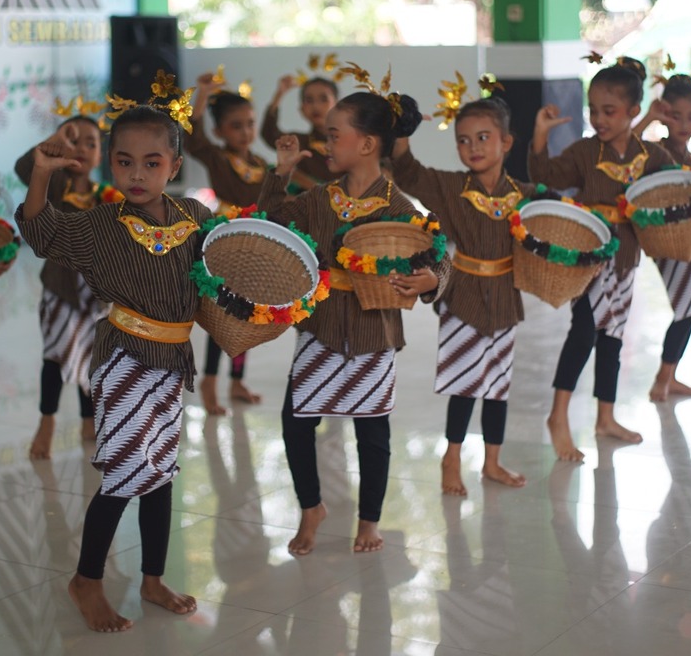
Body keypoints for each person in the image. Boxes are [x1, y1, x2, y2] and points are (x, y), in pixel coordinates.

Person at [16, 99, 208, 633]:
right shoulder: (100, 224)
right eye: (124, 162)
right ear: (110, 166)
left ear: (174, 164)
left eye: (152, 162)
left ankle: (151, 579)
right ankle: (87, 582)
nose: (137, 174)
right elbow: (41, 233)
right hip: (123, 359)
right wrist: (40, 174)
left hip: (172, 361)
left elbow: (225, 268)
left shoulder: (196, 218)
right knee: (125, 474)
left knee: (161, 474)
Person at [257, 80, 449, 555]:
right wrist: (279, 173)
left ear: (366, 144)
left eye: (333, 133)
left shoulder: (401, 208)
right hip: (319, 330)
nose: (325, 143)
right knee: (296, 422)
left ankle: (369, 521)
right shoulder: (319, 199)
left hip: (373, 332)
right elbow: (272, 220)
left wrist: (433, 281)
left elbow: (438, 256)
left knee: (373, 431)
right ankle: (310, 509)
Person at [529, 57, 682, 461]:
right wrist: (540, 135)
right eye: (593, 110)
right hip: (591, 257)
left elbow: (680, 185)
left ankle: (605, 417)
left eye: (608, 111)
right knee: (583, 331)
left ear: (634, 112)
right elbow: (546, 175)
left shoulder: (651, 156)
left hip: (627, 258)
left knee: (612, 337)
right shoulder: (583, 151)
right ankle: (558, 416)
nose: (598, 119)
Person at [391, 95, 541, 495]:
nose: (472, 147)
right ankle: (451, 457)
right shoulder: (450, 186)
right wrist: (403, 132)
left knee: (498, 386)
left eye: (483, 137)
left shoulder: (524, 194)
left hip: (506, 299)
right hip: (463, 298)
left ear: (506, 143)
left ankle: (492, 462)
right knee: (464, 384)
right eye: (463, 140)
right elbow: (408, 173)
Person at [13, 110, 120, 457]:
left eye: (90, 144)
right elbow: (23, 170)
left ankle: (90, 421)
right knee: (56, 356)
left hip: (97, 295)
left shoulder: (108, 198)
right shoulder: (54, 188)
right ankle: (47, 424)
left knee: (93, 358)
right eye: (73, 141)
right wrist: (56, 144)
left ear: (100, 155)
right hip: (60, 291)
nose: (82, 149)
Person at [186, 70, 268, 414]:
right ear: (220, 131)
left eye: (250, 123)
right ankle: (208, 380)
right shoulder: (218, 158)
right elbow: (192, 138)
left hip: (254, 241)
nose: (246, 132)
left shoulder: (262, 163)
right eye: (237, 125)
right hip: (224, 240)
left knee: (246, 313)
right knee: (223, 313)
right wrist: (202, 95)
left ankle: (236, 382)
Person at [633, 75, 691, 403]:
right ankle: (662, 379)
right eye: (675, 116)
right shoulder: (655, 152)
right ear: (665, 115)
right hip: (669, 243)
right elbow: (625, 148)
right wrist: (649, 118)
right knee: (687, 308)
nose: (683, 124)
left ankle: (670, 375)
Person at [261, 69, 340, 189]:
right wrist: (279, 94)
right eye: (309, 100)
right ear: (301, 108)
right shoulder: (298, 142)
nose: (316, 106)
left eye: (323, 99)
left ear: (337, 105)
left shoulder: (350, 141)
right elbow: (269, 134)